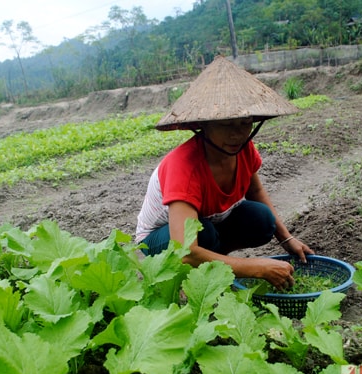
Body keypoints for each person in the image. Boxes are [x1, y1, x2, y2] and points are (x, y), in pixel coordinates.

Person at [135, 56, 314, 289]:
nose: (237, 134)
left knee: (262, 220)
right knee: (203, 235)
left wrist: (287, 239)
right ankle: (188, 276)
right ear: (205, 125)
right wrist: (254, 268)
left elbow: (256, 190)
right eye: (226, 124)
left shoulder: (243, 149)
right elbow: (185, 250)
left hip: (206, 223)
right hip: (161, 239)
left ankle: (215, 263)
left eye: (244, 123)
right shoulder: (184, 166)